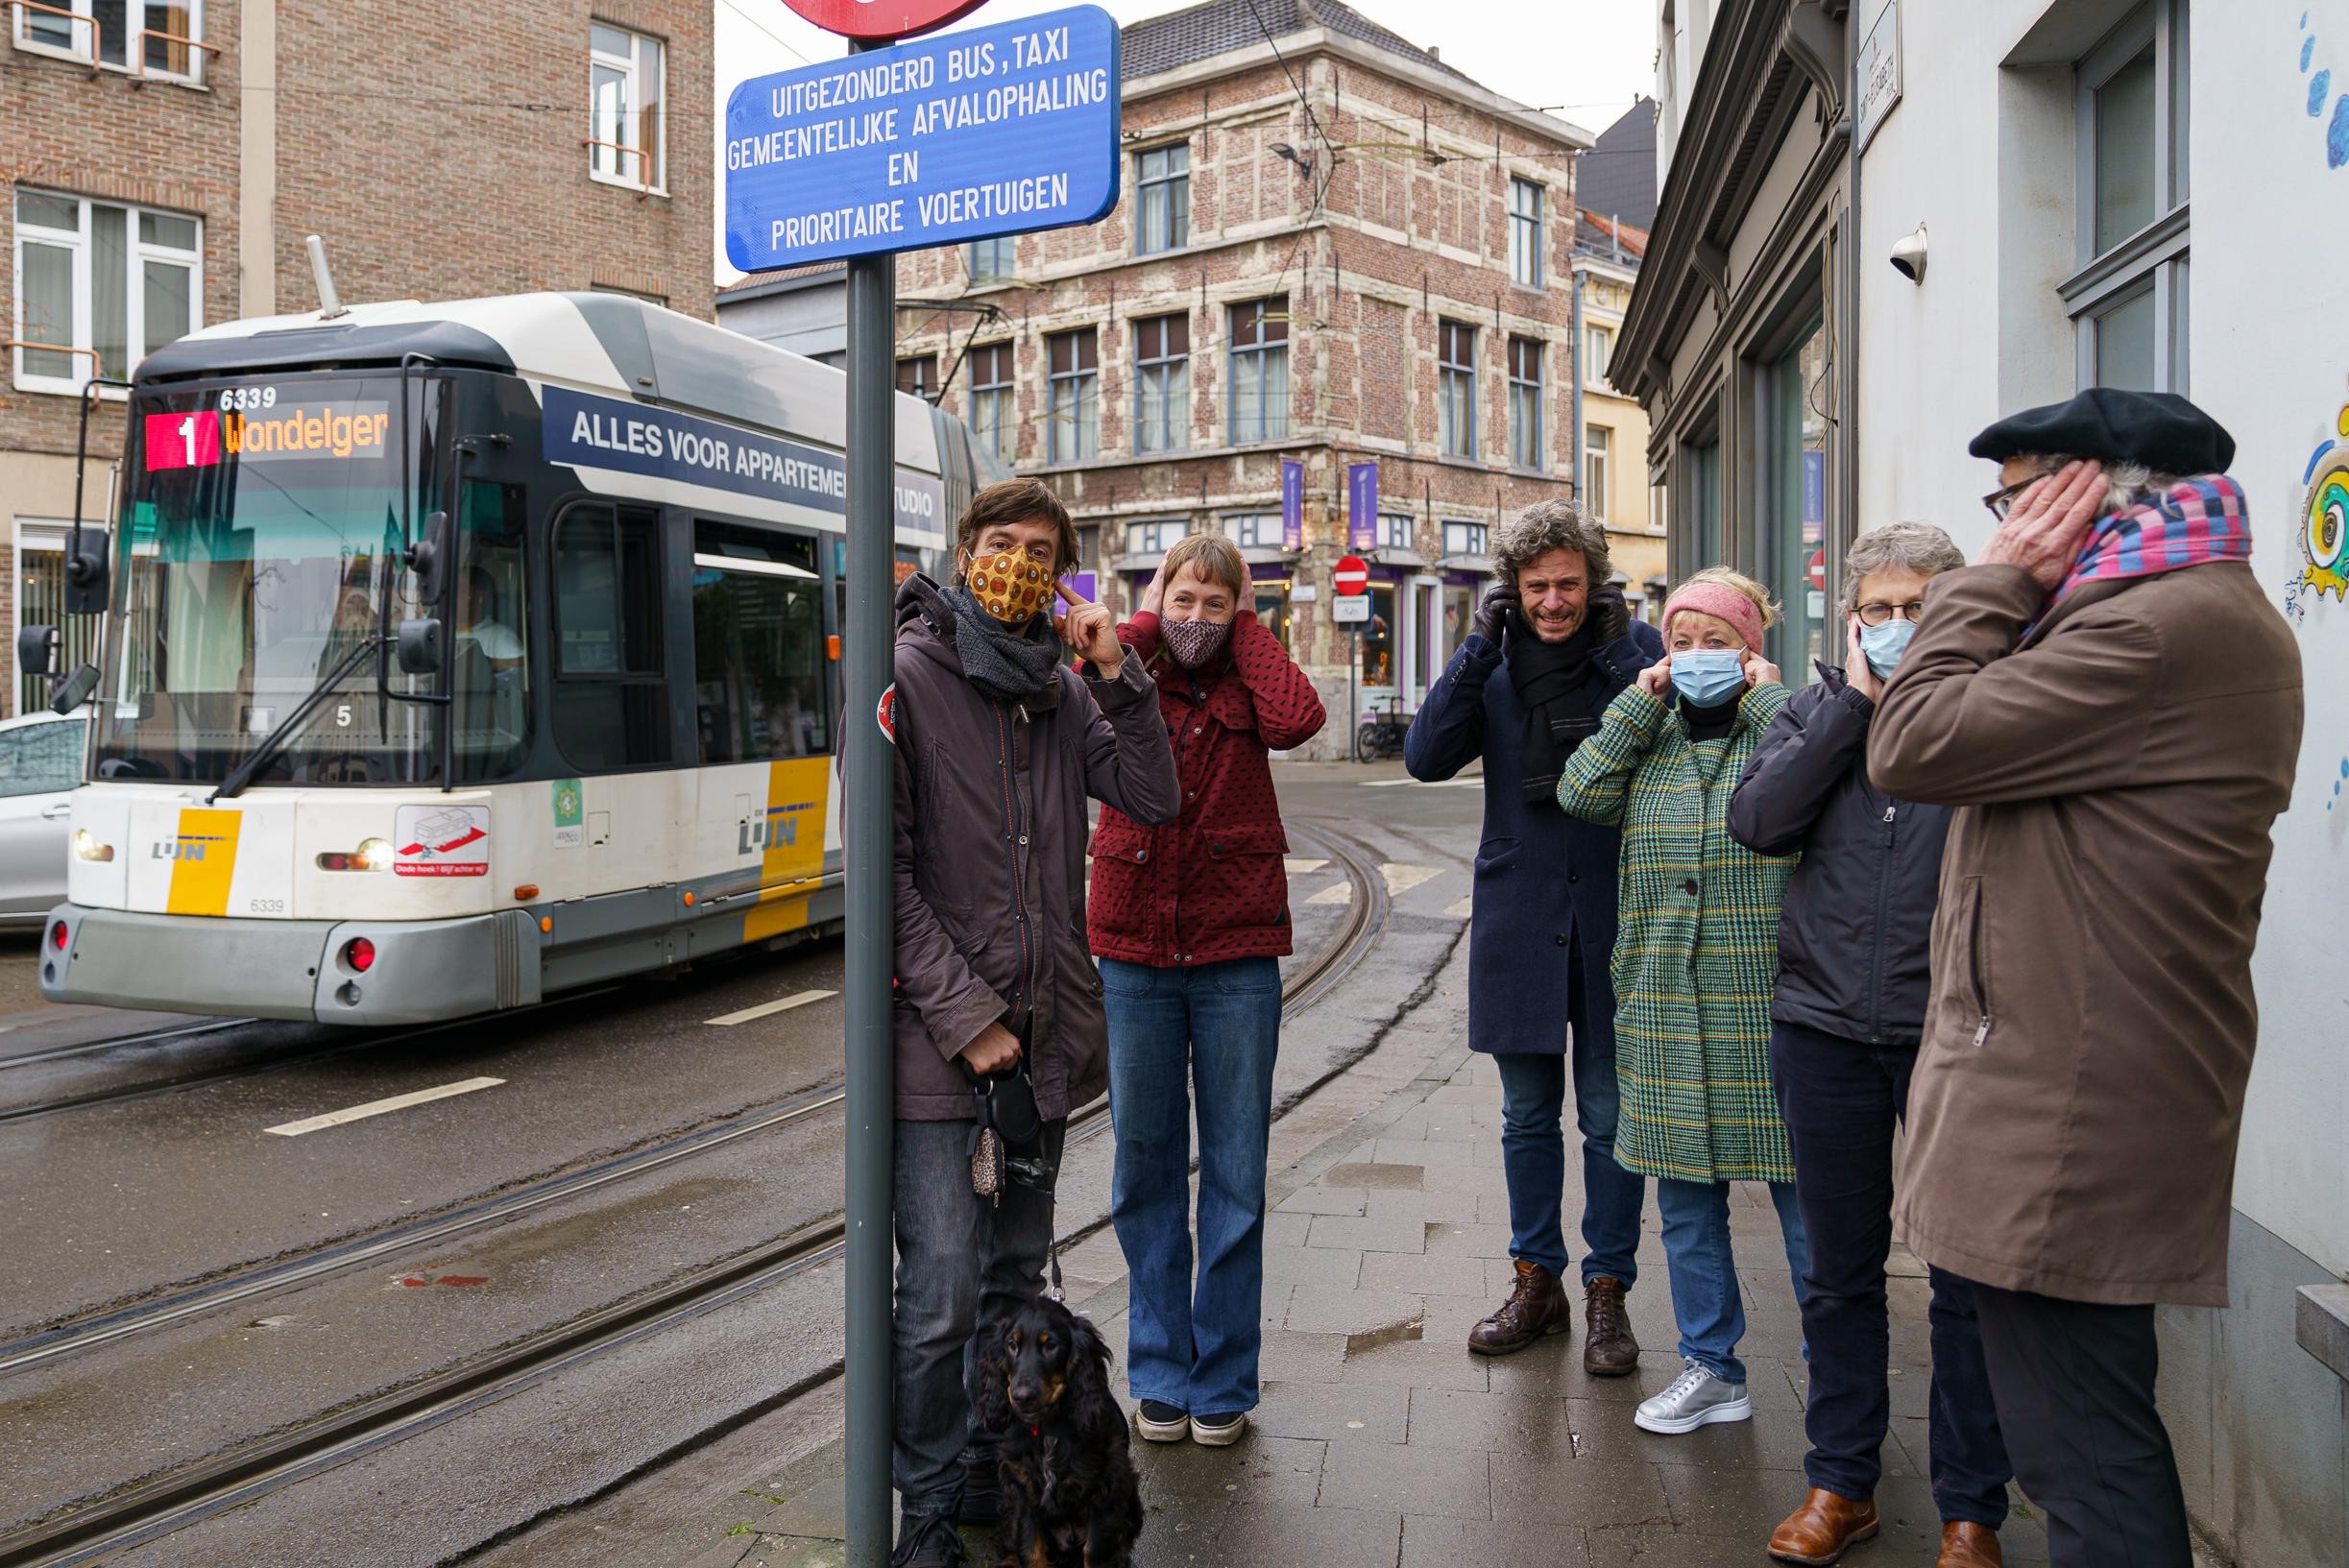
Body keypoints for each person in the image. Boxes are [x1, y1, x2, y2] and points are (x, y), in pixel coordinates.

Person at [1868, 390, 2303, 1568]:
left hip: (2071, 1110)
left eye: (2015, 500)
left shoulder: (2150, 631)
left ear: (2089, 497)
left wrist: (1991, 581)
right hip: (2065, 1088)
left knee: (2084, 1456)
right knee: (2072, 1440)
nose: (2002, 527)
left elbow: (1909, 743)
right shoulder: (2149, 617)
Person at [878, 478, 1181, 1568]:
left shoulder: (1061, 690)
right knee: (940, 1299)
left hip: (1040, 1050)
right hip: (938, 1052)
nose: (1015, 561)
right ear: (965, 554)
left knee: (1013, 1283)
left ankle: (981, 1474)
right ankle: (921, 1512)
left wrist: (1117, 669)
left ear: (1059, 578)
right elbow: (884, 876)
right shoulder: (906, 677)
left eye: (1039, 550)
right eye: (999, 542)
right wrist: (966, 1018)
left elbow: (1151, 796)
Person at [1728, 524, 2014, 1568]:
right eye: (1881, 610)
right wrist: (1850, 707)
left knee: (1963, 1282)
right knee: (1838, 1275)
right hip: (1825, 1031)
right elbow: (1756, 821)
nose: (1900, 627)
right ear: (1851, 621)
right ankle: (1839, 1482)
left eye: (1921, 607)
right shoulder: (1813, 711)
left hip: (1956, 1035)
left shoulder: (1994, 718)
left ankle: (1970, 1506)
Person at [1403, 500, 1660, 1372]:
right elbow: (1426, 754)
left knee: (1608, 1115)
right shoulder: (1497, 666)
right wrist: (1479, 646)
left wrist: (1626, 647)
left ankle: (1608, 1292)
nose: (1554, 601)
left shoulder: (1635, 655)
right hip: (1521, 916)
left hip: (1617, 917)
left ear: (1596, 585)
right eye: (1537, 586)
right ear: (1513, 590)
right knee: (1524, 1116)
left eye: (1570, 585)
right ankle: (1535, 1281)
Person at [1087, 532, 1326, 1447]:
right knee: (1144, 1167)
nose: (1195, 620)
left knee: (1235, 1173)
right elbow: (1083, 688)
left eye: (1215, 604)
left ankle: (1222, 1376)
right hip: (1137, 951)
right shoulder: (1128, 664)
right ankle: (1159, 1370)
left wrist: (1249, 629)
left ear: (1241, 613)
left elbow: (1300, 717)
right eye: (1182, 601)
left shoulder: (1249, 678)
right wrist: (1150, 616)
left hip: (1235, 954)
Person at [1558, 567, 1809, 1434]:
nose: (1696, 656)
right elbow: (1578, 791)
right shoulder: (1649, 733)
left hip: (1769, 1012)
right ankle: (1712, 1367)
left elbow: (1819, 787)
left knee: (1806, 1207)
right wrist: (1637, 702)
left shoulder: (1785, 726)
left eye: (1717, 641)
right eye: (1681, 640)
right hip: (1663, 1004)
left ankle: (1840, 1377)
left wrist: (1771, 704)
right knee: (1688, 1208)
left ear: (1752, 651)